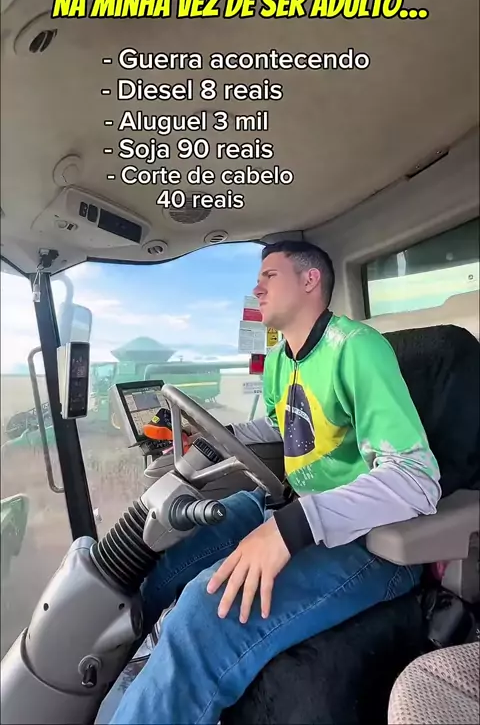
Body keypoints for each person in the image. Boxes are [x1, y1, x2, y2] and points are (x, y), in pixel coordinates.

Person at [110, 240, 441, 725]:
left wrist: (293, 526)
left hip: (368, 539)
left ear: (309, 280)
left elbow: (417, 478)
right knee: (158, 551)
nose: (257, 289)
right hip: (289, 505)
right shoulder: (281, 360)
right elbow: (281, 425)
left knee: (204, 610)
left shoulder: (355, 348)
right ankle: (116, 681)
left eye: (270, 276)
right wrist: (210, 433)